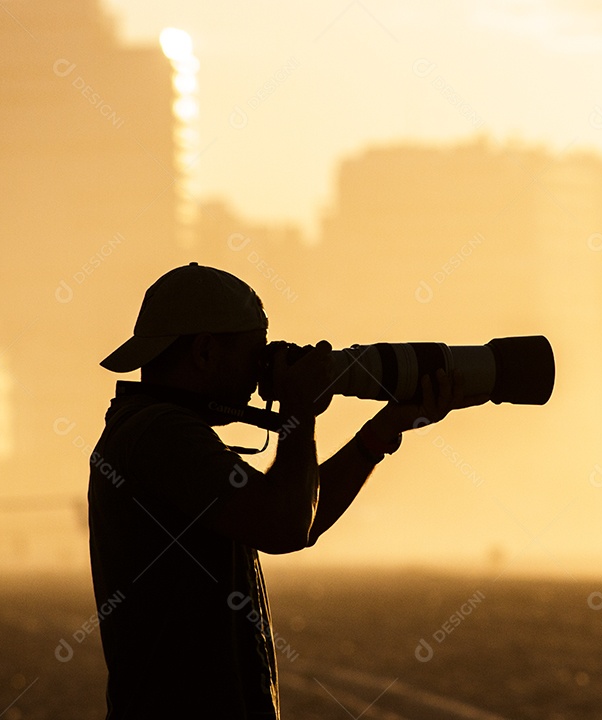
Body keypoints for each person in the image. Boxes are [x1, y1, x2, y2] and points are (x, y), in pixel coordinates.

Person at [88, 263, 484, 718]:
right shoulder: (160, 435)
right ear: (204, 352)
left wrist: (379, 434)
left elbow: (298, 517)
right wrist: (299, 410)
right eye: (254, 354)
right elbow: (286, 524)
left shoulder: (152, 430)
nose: (261, 376)